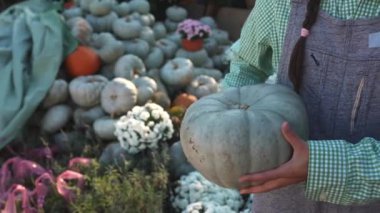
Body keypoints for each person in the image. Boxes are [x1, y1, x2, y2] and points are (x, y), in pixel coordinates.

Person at [221, 0, 380, 212]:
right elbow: (246, 67)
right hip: (280, 196)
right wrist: (235, 132)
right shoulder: (279, 4)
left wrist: (320, 165)